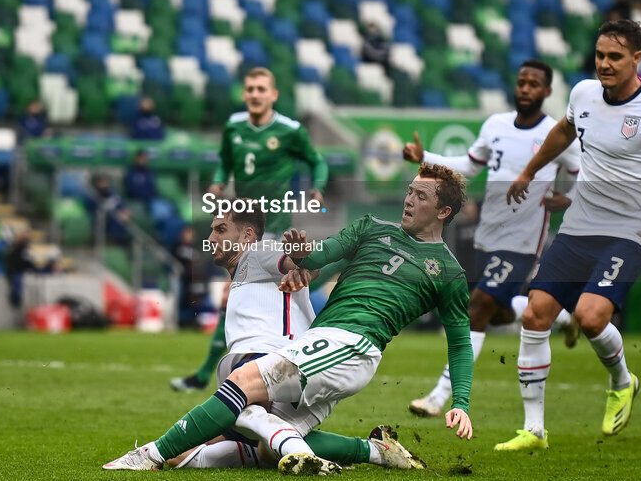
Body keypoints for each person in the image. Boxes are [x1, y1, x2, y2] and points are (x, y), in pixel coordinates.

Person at [106, 164, 474, 473]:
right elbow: (319, 255)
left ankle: (148, 456)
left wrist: (461, 402)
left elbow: (459, 341)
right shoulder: (371, 228)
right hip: (327, 342)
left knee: (242, 383)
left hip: (353, 342)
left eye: (422, 196)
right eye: (410, 190)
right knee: (270, 444)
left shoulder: (449, 273)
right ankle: (379, 452)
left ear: (443, 212)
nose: (409, 199)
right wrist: (302, 253)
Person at [495, 20, 641, 451]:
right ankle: (533, 431)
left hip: (629, 231)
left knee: (590, 317)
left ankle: (623, 383)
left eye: (616, 57)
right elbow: (564, 132)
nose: (605, 64)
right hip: (579, 225)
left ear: (636, 60)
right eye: (600, 56)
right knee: (535, 315)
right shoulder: (583, 93)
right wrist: (530, 172)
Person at [161, 203, 421, 472]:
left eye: (220, 229)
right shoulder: (247, 272)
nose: (211, 238)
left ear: (248, 235)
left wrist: (303, 264)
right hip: (290, 367)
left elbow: (296, 261)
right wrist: (305, 269)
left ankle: (155, 452)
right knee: (202, 453)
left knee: (248, 417)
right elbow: (304, 267)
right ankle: (373, 450)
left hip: (284, 365)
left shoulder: (258, 252)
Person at [404, 60, 582, 418]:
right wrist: (426, 159)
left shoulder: (558, 134)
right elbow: (468, 166)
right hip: (489, 233)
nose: (525, 88)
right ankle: (562, 316)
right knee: (497, 311)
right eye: (521, 81)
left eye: (534, 84)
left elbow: (582, 176)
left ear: (547, 92)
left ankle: (440, 396)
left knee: (478, 307)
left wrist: (570, 198)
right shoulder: (495, 125)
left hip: (523, 240)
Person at [170, 67, 329, 393]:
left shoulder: (289, 130)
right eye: (250, 89)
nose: (255, 94)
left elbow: (317, 161)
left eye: (261, 89)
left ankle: (221, 373)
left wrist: (318, 187)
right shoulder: (234, 127)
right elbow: (225, 162)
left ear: (273, 95)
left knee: (252, 296)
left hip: (273, 229)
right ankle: (280, 361)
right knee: (251, 298)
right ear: (244, 95)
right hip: (243, 226)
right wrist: (217, 181)